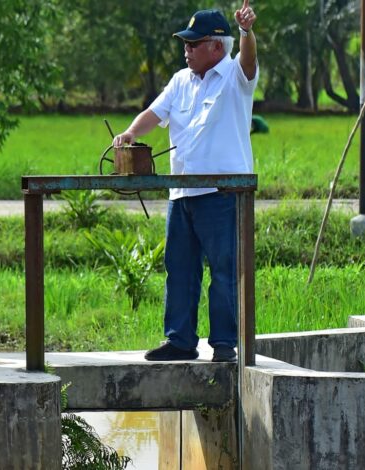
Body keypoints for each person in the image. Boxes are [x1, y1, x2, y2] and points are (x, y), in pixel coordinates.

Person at [113, 2, 258, 363]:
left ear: (216, 46)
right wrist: (131, 132)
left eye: (194, 44)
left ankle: (224, 344)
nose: (187, 50)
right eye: (186, 44)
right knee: (179, 269)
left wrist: (246, 33)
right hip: (182, 193)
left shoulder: (234, 75)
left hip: (221, 194)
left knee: (224, 271)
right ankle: (180, 340)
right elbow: (154, 113)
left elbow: (249, 61)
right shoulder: (181, 80)